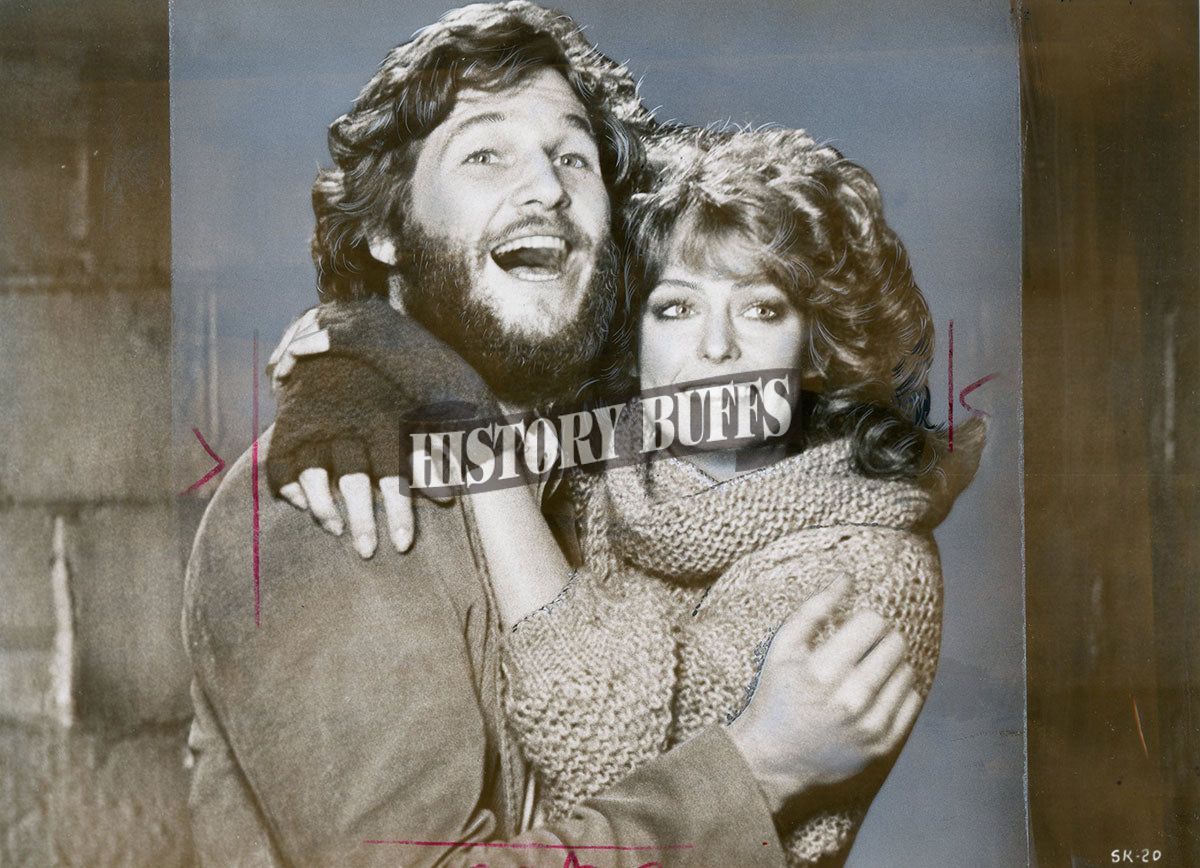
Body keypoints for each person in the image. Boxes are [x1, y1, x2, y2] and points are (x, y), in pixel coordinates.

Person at [183, 4, 924, 866]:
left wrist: (375, 347)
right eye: (485, 153)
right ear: (384, 230)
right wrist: (755, 771)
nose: (547, 187)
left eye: (573, 157)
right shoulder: (342, 496)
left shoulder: (596, 471)